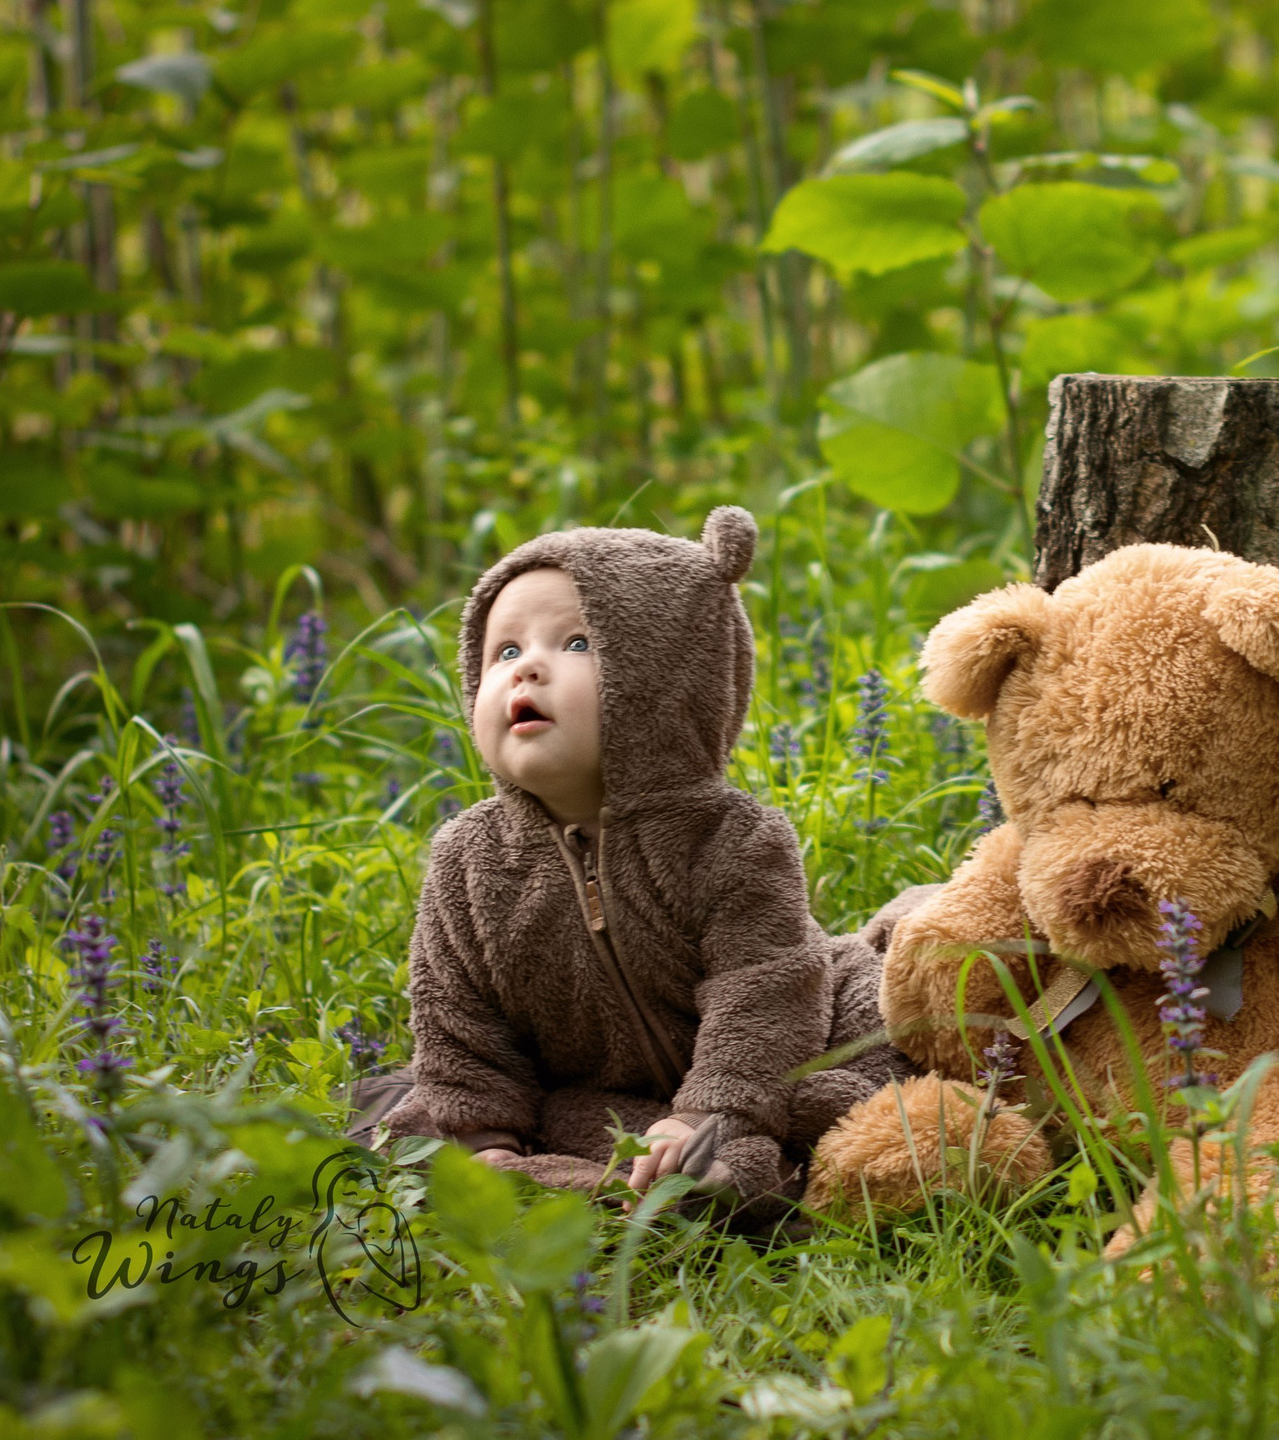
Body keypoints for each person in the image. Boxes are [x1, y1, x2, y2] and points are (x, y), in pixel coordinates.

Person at [359, 507, 905, 1215]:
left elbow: (765, 988)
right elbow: (459, 1019)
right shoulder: (470, 859)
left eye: (577, 641)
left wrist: (713, 1110)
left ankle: (736, 1164)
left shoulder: (732, 839)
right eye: (505, 651)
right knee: (442, 1119)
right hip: (606, 1091)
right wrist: (484, 1131)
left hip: (798, 1039)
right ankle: (600, 1178)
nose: (527, 665)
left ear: (668, 672)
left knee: (839, 1085)